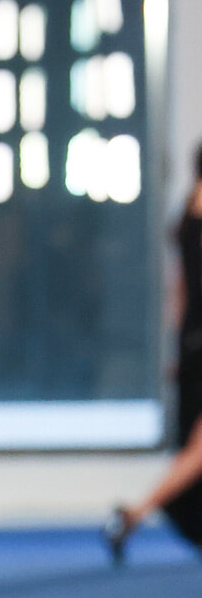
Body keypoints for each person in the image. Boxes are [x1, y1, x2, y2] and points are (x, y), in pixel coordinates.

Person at [104, 143, 202, 559]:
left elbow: (177, 294)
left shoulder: (185, 216)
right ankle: (134, 514)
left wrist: (179, 348)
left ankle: (134, 515)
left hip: (192, 341)